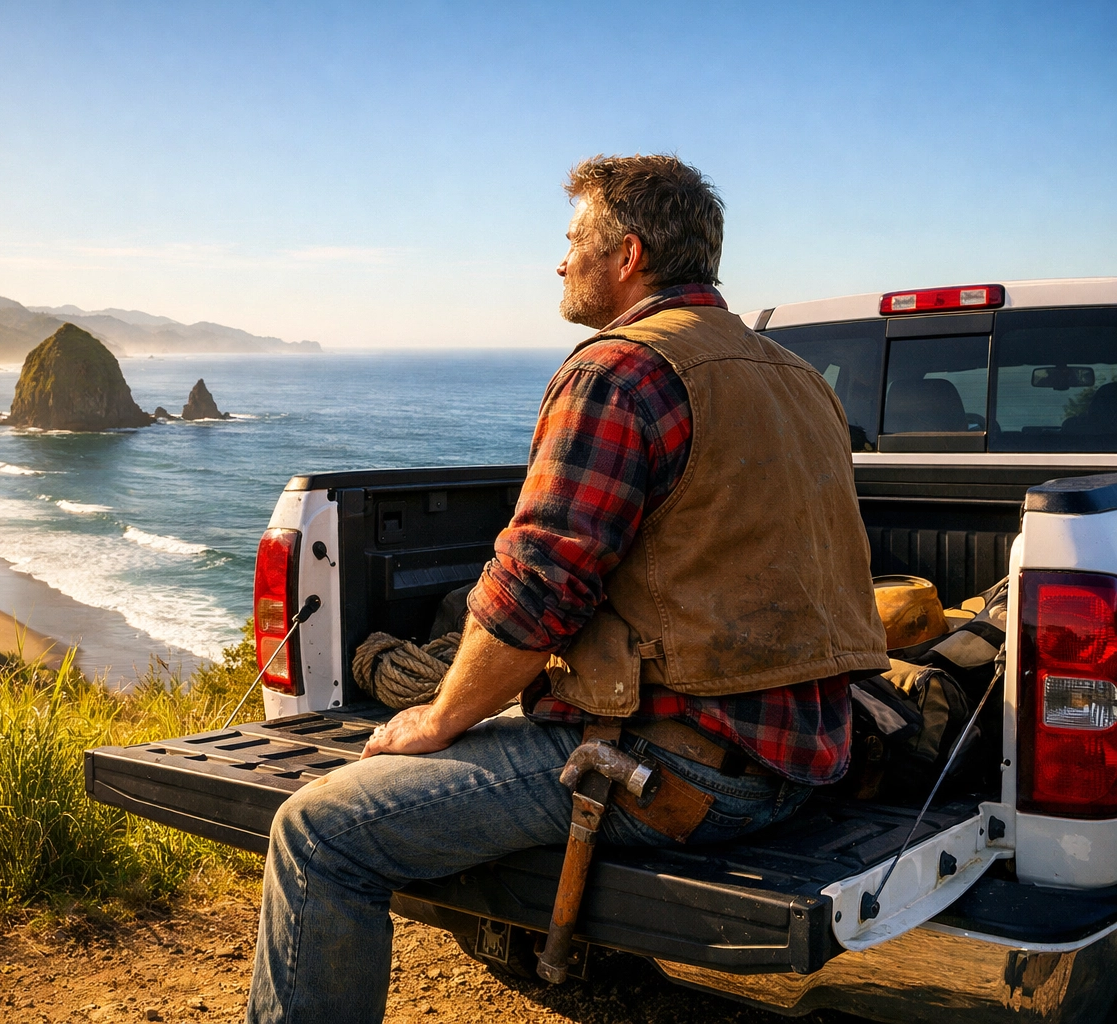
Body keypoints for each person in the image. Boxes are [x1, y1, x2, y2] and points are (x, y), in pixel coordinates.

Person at [245, 154, 889, 1024]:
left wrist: (439, 719)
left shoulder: (618, 371)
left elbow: (536, 591)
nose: (559, 261)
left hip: (681, 766)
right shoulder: (797, 377)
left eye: (572, 241)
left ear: (626, 255)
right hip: (806, 756)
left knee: (318, 834)